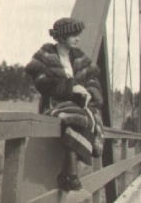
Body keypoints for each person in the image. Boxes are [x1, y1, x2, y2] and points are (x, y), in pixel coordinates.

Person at [25, 17, 104, 191]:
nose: (78, 38)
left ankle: (67, 174)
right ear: (61, 37)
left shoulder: (80, 57)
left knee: (80, 116)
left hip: (79, 105)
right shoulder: (45, 56)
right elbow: (42, 83)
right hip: (53, 104)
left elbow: (93, 81)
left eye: (78, 34)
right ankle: (71, 174)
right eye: (73, 35)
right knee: (75, 117)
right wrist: (71, 88)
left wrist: (89, 93)